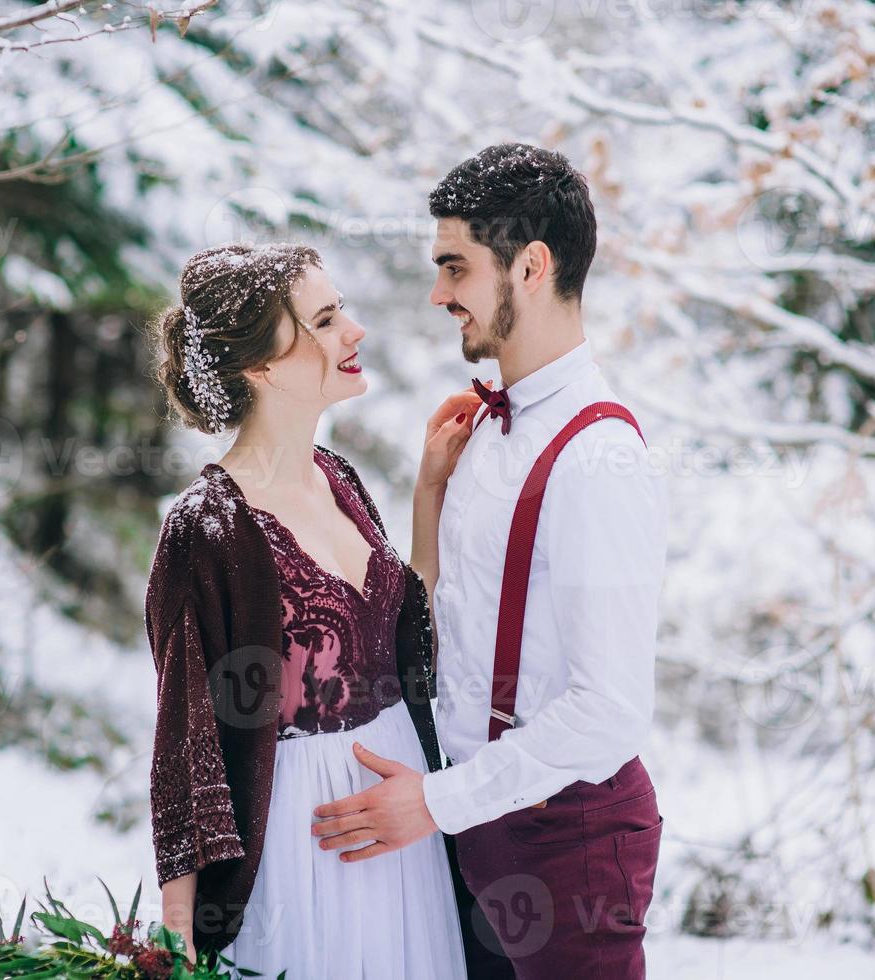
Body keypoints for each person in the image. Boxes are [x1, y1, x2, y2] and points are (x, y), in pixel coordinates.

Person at [310, 144, 670, 979]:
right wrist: (430, 496)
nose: (438, 295)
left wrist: (435, 804)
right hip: (479, 827)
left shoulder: (598, 456)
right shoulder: (484, 430)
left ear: (531, 266)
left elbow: (610, 708)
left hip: (568, 842)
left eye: (456, 267)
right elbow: (449, 633)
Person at [144, 241, 481, 977]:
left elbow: (402, 635)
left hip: (403, 829)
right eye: (326, 320)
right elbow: (184, 742)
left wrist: (429, 490)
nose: (354, 331)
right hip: (305, 845)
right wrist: (178, 941)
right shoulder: (207, 526)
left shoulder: (340, 479)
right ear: (261, 367)